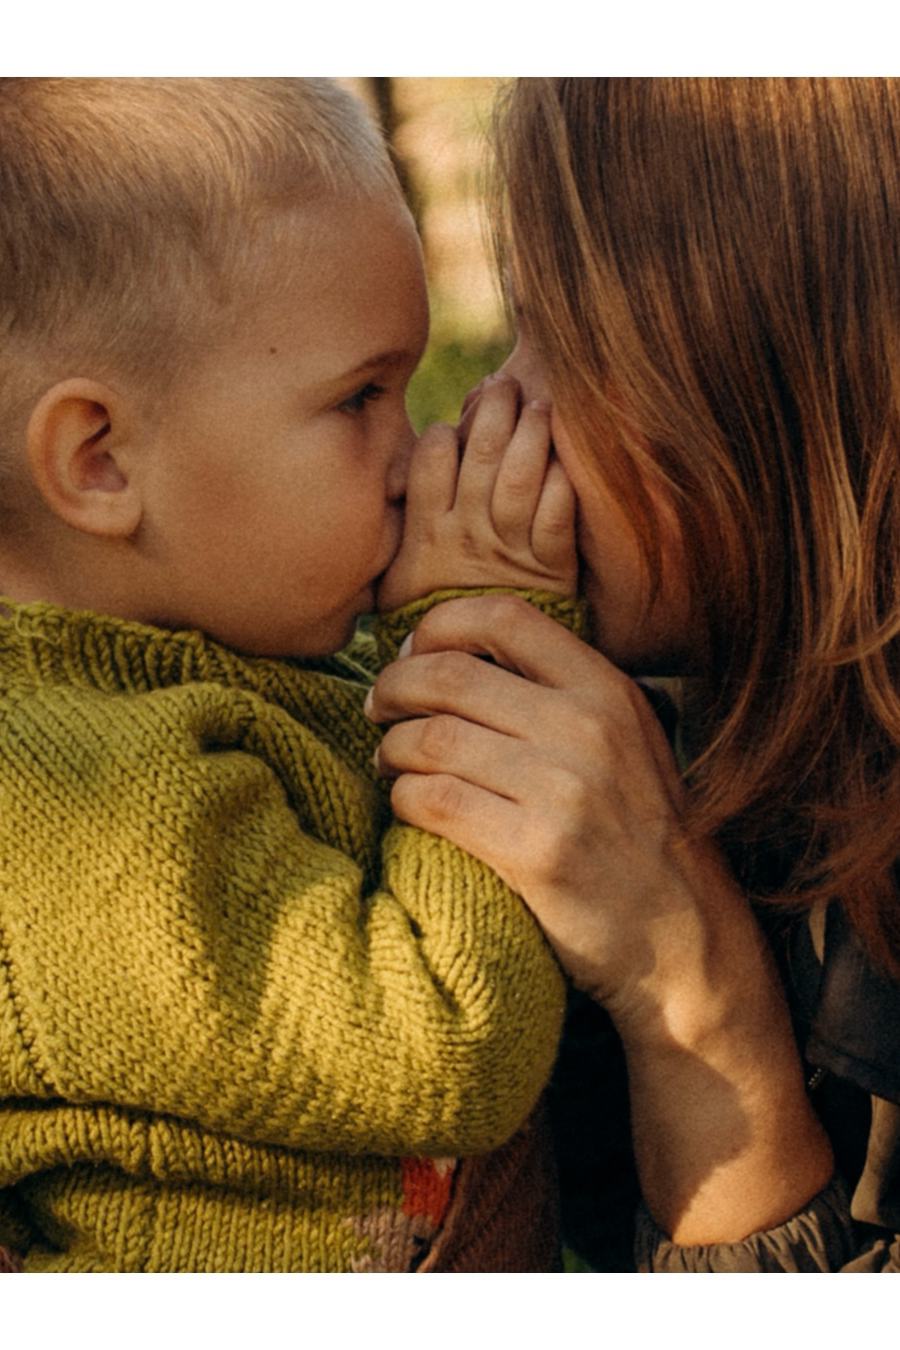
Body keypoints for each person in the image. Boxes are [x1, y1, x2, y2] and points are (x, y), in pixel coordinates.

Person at [0, 76, 584, 1272]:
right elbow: (440, 1048)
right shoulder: (58, 804)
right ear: (100, 461)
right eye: (360, 398)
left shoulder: (236, 646)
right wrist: (477, 628)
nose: (415, 455)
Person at [367, 77, 900, 1272]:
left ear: (757, 364)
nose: (488, 406)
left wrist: (696, 995)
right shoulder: (694, 722)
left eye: (560, 336)